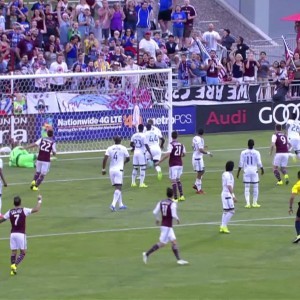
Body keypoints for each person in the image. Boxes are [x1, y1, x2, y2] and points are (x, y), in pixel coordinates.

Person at [142, 187, 188, 265]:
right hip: (167, 227)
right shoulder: (173, 203)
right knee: (162, 243)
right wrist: (177, 219)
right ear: (173, 195)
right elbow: (173, 214)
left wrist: (157, 219)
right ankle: (146, 254)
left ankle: (179, 259)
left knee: (174, 241)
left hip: (165, 226)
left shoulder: (161, 202)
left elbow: (154, 212)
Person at [0, 194, 42, 275]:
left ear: (13, 203)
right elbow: (36, 209)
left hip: (13, 234)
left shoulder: (10, 211)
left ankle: (13, 270)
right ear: (20, 202)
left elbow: (2, 220)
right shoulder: (24, 210)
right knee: (23, 253)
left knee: (13, 252)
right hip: (21, 234)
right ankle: (15, 265)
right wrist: (39, 200)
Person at [102, 136, 130, 212]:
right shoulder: (123, 148)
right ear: (121, 140)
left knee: (117, 187)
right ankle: (113, 205)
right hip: (119, 170)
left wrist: (103, 169)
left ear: (114, 140)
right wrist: (123, 163)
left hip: (111, 170)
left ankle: (120, 204)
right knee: (119, 187)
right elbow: (128, 158)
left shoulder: (110, 148)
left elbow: (105, 158)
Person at [157, 131, 186, 202]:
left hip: (173, 164)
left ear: (171, 136)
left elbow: (167, 154)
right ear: (177, 136)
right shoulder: (182, 145)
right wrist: (178, 155)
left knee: (173, 181)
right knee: (178, 180)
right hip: (180, 164)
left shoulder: (171, 145)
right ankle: (182, 196)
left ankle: (175, 198)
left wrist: (160, 161)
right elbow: (184, 154)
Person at [236, 139, 264, 208]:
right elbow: (259, 162)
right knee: (255, 187)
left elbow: (241, 163)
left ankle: (248, 203)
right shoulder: (257, 152)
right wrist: (262, 169)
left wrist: (238, 172)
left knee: (247, 187)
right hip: (254, 171)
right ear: (253, 144)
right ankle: (254, 203)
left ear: (247, 144)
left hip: (246, 171)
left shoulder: (243, 152)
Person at [192, 128, 213, 195]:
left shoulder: (194, 138)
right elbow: (200, 150)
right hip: (198, 158)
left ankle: (196, 185)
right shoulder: (200, 139)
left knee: (202, 171)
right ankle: (199, 189)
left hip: (196, 157)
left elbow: (193, 147)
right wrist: (208, 153)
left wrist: (203, 146)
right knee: (200, 172)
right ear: (203, 133)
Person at [220, 161, 237, 234]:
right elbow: (229, 186)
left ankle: (222, 226)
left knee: (226, 211)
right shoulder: (229, 175)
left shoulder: (224, 173)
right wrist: (233, 196)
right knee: (232, 211)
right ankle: (224, 226)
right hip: (227, 194)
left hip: (224, 193)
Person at [288, 171, 300, 243]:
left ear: (298, 177)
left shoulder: (297, 185)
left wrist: (290, 207)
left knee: (298, 220)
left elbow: (292, 197)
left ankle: (299, 235)